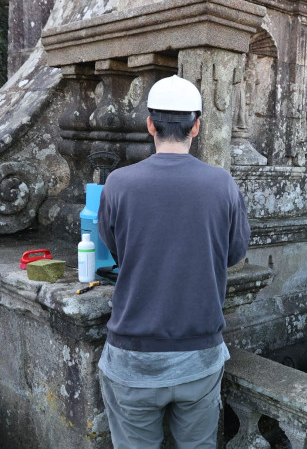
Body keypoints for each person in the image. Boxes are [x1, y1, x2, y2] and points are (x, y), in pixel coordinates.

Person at [97, 75, 251, 449]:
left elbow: (117, 250)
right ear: (195, 126)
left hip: (132, 358)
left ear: (150, 124)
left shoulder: (118, 183)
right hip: (198, 356)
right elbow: (234, 254)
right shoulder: (223, 184)